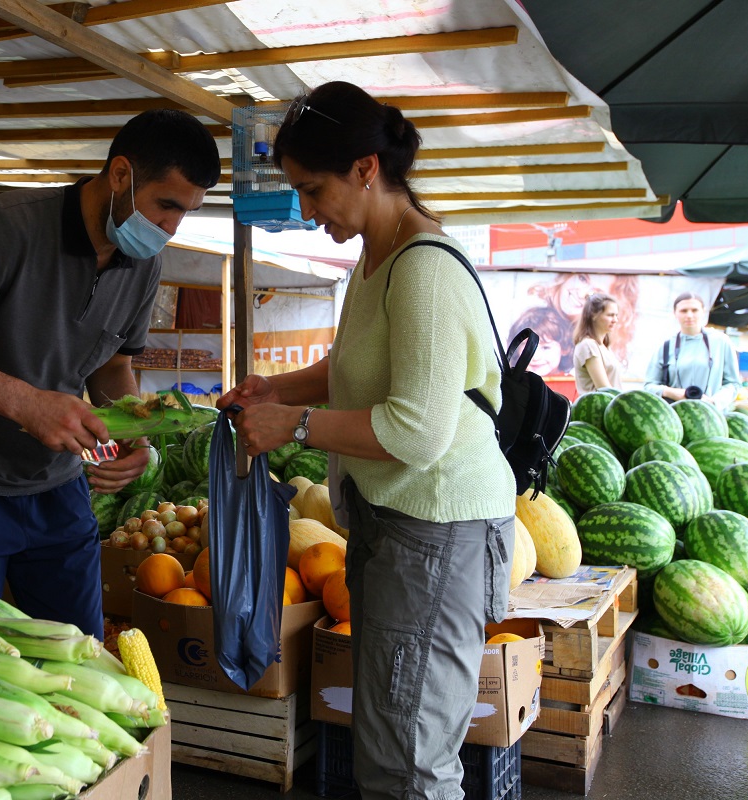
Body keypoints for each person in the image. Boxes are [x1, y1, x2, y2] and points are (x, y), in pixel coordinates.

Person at [216, 81, 514, 800]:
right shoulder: (376, 260)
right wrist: (276, 390)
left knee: (408, 762)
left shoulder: (424, 270)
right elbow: (355, 373)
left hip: (435, 532)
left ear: (365, 169)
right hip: (399, 528)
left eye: (313, 190)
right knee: (391, 741)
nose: (306, 210)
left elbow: (417, 429)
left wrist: (296, 425)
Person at [0, 110, 220, 636]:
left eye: (186, 213)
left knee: (80, 654)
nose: (171, 228)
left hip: (58, 489)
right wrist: (27, 403)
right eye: (166, 205)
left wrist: (137, 433)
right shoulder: (10, 225)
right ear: (121, 175)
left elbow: (113, 364)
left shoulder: (142, 263)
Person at [644, 292, 741, 410]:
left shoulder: (721, 342)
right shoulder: (666, 345)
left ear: (703, 311)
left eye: (694, 310)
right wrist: (671, 392)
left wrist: (714, 402)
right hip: (676, 416)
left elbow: (733, 384)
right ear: (675, 313)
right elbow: (649, 386)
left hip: (713, 416)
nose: (689, 315)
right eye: (683, 311)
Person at [572, 292, 622, 395]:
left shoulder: (603, 346)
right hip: (597, 410)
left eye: (616, 315)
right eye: (610, 315)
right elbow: (604, 389)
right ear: (594, 315)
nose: (615, 320)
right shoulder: (588, 345)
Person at [507, 304, 573, 377]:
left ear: (565, 348)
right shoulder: (511, 383)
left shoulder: (574, 385)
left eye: (545, 348)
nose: (536, 357)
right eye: (528, 348)